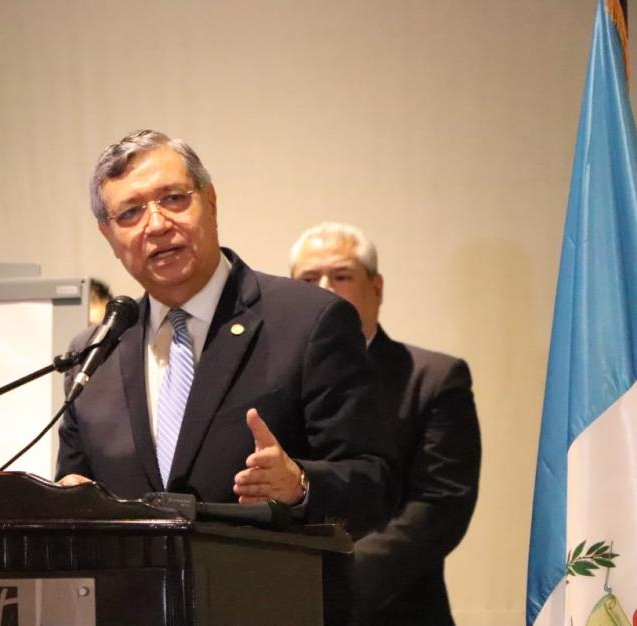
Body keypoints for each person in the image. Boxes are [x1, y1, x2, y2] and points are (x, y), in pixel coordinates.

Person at [55, 130, 397, 541]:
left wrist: (300, 485)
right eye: (130, 212)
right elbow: (74, 484)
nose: (157, 224)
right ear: (109, 237)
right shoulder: (95, 355)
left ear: (211, 202)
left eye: (174, 198)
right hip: (134, 601)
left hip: (269, 598)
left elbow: (376, 485)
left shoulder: (309, 322)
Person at [289, 222, 482, 626]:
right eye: (308, 279)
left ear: (376, 289)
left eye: (341, 276)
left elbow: (439, 506)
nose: (324, 289)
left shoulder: (433, 378)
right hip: (287, 605)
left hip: (396, 609)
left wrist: (333, 582)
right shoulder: (275, 383)